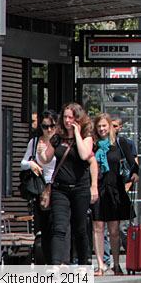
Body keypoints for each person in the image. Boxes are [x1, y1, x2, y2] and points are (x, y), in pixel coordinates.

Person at [37, 103, 97, 266]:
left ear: (78, 118)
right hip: (60, 188)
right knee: (59, 226)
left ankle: (84, 263)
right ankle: (56, 264)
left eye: (71, 117)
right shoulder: (57, 137)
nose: (67, 120)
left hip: (80, 188)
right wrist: (41, 151)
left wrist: (77, 133)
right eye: (65, 117)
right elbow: (46, 159)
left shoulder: (86, 137)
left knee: (80, 228)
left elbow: (85, 155)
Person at [91, 113, 138, 276]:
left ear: (110, 126)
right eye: (99, 126)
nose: (102, 129)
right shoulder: (93, 145)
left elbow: (133, 164)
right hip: (98, 188)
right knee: (97, 227)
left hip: (115, 189)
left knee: (114, 230)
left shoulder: (120, 143)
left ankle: (117, 264)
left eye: (104, 125)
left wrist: (133, 177)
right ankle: (100, 264)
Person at [21, 110, 58, 264]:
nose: (48, 130)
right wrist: (31, 163)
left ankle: (57, 260)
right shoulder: (35, 142)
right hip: (40, 190)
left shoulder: (60, 142)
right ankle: (46, 260)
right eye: (45, 126)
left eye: (52, 126)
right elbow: (22, 163)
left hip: (57, 188)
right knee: (42, 227)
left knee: (57, 224)